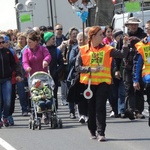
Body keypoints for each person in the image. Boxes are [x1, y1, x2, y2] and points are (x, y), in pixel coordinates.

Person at [75, 26, 129, 141]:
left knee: (100, 107)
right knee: (91, 108)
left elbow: (122, 55)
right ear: (93, 36)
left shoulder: (107, 49)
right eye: (100, 35)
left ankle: (101, 132)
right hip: (89, 84)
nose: (103, 36)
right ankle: (92, 130)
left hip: (103, 83)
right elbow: (77, 67)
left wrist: (125, 44)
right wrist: (90, 69)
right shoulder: (83, 49)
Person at [116, 17, 147, 120]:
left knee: (139, 88)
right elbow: (118, 54)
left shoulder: (144, 37)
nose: (133, 26)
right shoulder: (123, 38)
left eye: (135, 24)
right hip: (127, 67)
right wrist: (116, 69)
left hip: (141, 67)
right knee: (128, 88)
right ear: (127, 26)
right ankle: (130, 109)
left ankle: (138, 111)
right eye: (131, 24)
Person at [0, 35, 21, 128]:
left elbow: (15, 64)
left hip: (7, 79)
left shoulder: (8, 52)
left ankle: (5, 116)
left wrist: (17, 74)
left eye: (2, 42)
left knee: (7, 100)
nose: (1, 44)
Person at [67, 32, 88, 123]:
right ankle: (80, 114)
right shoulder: (74, 49)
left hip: (88, 75)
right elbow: (71, 61)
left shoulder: (89, 49)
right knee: (79, 95)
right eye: (80, 40)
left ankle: (87, 114)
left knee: (87, 96)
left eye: (83, 40)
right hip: (76, 75)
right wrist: (79, 55)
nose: (81, 42)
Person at [59, 27, 79, 118]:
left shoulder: (82, 44)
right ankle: (71, 111)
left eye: (76, 34)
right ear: (70, 35)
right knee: (70, 91)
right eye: (73, 34)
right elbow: (57, 51)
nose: (75, 35)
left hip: (79, 70)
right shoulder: (65, 44)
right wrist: (62, 58)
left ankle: (80, 111)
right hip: (68, 70)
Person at [133, 20, 150, 119]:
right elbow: (137, 63)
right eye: (147, 28)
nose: (148, 31)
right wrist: (135, 80)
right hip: (148, 75)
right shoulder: (143, 44)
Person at [43, 31, 64, 109]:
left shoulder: (57, 50)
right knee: (44, 94)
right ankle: (45, 111)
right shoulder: (42, 50)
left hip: (53, 76)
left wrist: (56, 71)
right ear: (47, 39)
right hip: (43, 76)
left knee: (53, 93)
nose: (54, 40)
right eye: (52, 39)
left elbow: (61, 64)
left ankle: (55, 110)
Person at [14, 32, 29, 116]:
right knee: (21, 92)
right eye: (19, 39)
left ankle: (30, 107)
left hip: (28, 73)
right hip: (20, 74)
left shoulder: (28, 48)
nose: (20, 40)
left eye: (22, 39)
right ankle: (24, 108)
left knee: (30, 91)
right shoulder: (15, 49)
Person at [55, 24, 68, 106]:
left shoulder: (65, 39)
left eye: (61, 29)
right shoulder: (53, 39)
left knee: (64, 81)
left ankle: (64, 98)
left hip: (63, 62)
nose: (59, 30)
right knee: (55, 83)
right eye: (58, 29)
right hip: (55, 62)